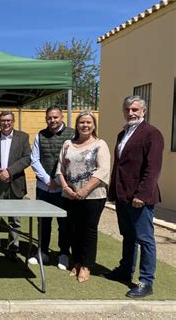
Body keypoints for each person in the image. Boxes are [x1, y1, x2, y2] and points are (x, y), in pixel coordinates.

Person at [105, 96, 164, 298]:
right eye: (128, 109)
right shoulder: (123, 134)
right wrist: (113, 192)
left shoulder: (152, 134)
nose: (131, 113)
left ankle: (146, 281)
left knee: (145, 239)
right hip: (123, 196)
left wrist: (142, 195)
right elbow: (119, 166)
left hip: (140, 198)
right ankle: (125, 270)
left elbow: (153, 168)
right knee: (128, 237)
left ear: (144, 111)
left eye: (135, 109)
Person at [56, 110, 110, 283]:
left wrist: (85, 190)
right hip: (70, 195)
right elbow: (60, 169)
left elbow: (103, 170)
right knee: (73, 230)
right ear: (77, 125)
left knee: (88, 231)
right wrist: (65, 187)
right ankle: (77, 261)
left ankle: (86, 266)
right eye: (81, 122)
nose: (85, 125)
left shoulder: (100, 145)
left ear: (94, 125)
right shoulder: (67, 144)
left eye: (88, 122)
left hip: (93, 196)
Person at [0, 110, 31, 262]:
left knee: (14, 219)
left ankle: (13, 248)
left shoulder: (23, 137)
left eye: (8, 120)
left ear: (13, 121)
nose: (5, 123)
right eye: (3, 120)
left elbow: (27, 158)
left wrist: (9, 172)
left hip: (15, 182)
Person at [29, 105, 74, 270]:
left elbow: (72, 160)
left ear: (61, 117)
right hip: (44, 187)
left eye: (55, 117)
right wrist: (48, 180)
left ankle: (63, 253)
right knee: (43, 222)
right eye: (49, 118)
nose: (52, 120)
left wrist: (58, 180)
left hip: (63, 188)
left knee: (64, 223)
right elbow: (34, 160)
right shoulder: (40, 135)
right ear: (46, 119)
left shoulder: (72, 134)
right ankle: (42, 251)